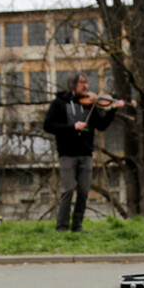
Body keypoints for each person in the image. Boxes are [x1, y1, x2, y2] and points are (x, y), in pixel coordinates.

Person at [43, 72, 124, 232]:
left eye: (87, 83)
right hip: (67, 154)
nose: (86, 86)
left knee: (84, 190)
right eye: (82, 83)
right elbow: (48, 126)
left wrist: (113, 110)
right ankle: (61, 226)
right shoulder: (59, 103)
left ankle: (77, 226)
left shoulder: (90, 104)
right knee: (67, 190)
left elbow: (101, 125)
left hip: (86, 153)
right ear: (73, 84)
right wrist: (72, 127)